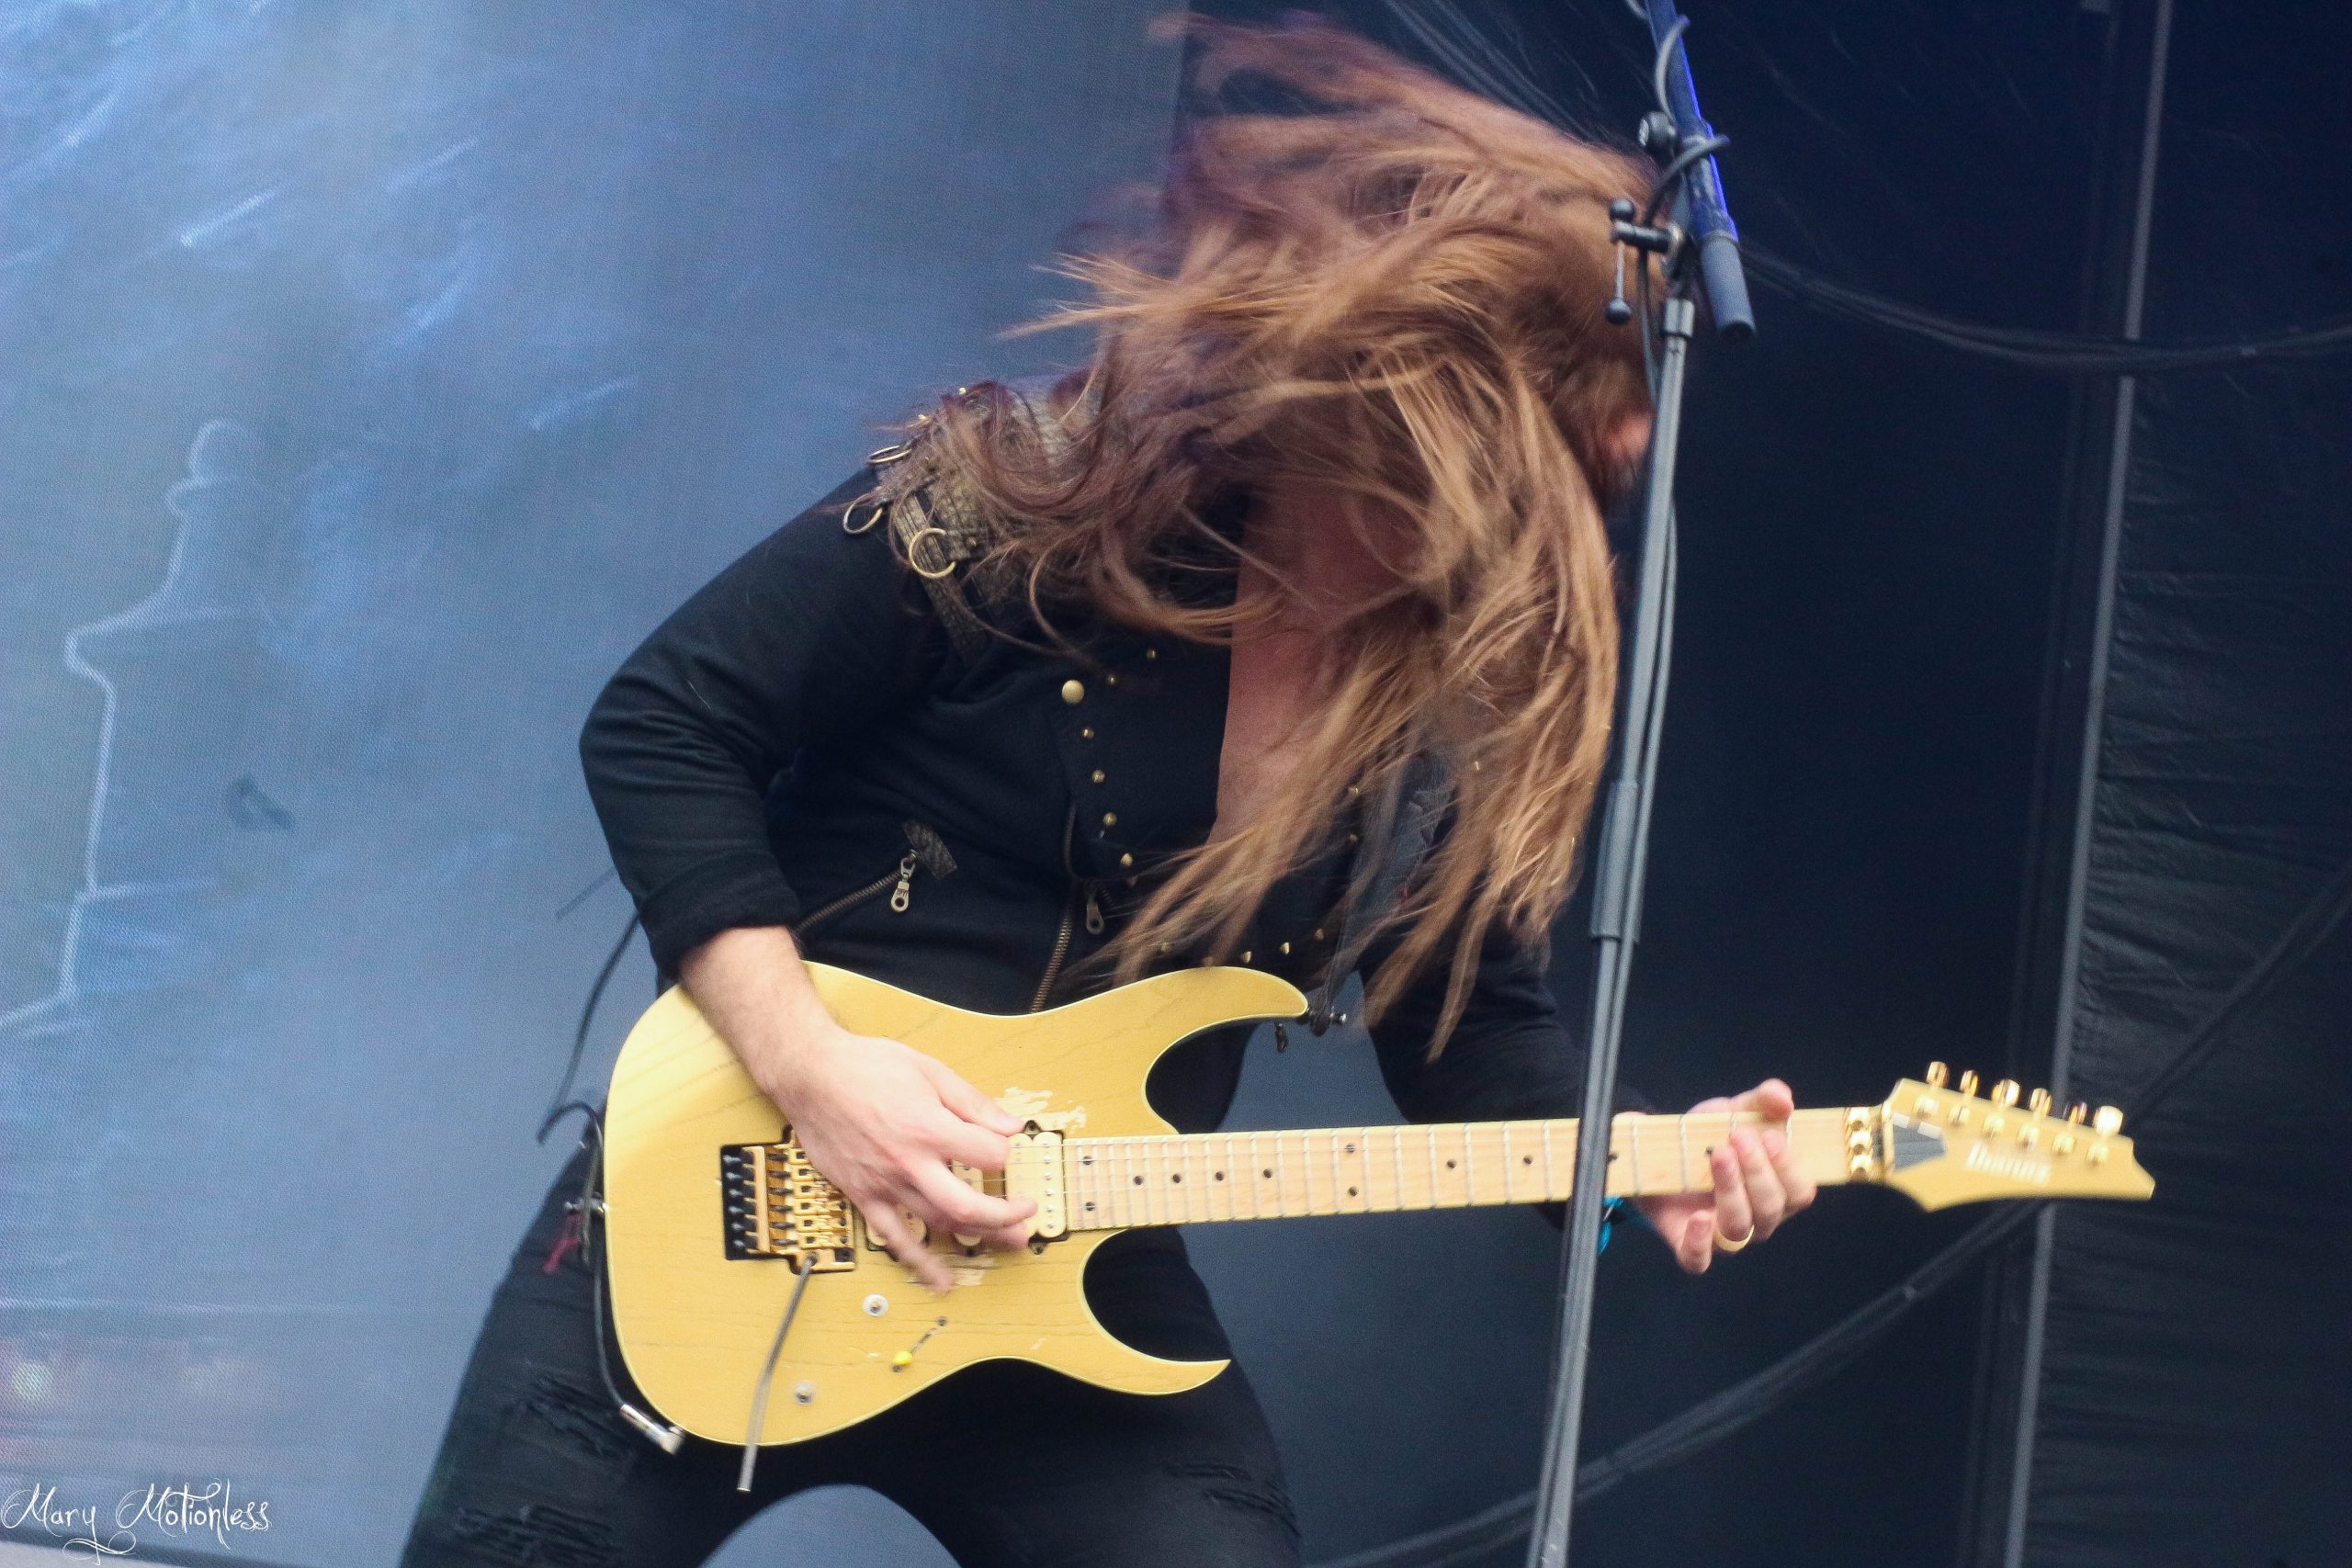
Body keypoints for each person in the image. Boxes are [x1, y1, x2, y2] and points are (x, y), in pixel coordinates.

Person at [400, 17, 1814, 1568]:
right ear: (1391, 417)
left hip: (1072, 1257)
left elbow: (1470, 1022)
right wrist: (816, 1072)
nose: (1490, 548)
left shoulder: (1442, 706)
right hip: (744, 1185)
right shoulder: (1039, 490)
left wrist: (1634, 1175)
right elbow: (669, 719)